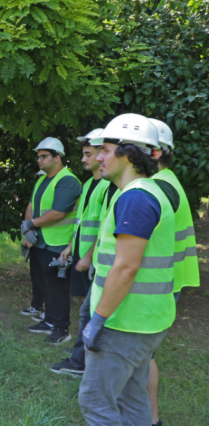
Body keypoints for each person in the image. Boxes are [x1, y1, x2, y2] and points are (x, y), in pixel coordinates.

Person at [78, 114, 177, 425]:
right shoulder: (144, 191)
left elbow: (125, 268)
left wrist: (98, 319)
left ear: (129, 154)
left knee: (96, 403)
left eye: (106, 150)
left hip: (124, 323)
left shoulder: (136, 198)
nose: (99, 157)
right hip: (144, 320)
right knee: (133, 402)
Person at [146, 118, 200, 426]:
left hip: (157, 285)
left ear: (154, 153)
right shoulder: (167, 181)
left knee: (143, 356)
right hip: (165, 281)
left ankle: (152, 420)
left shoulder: (159, 188)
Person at [49, 129, 111, 375]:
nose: (83, 159)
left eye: (88, 154)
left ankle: (82, 361)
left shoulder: (108, 186)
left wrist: (88, 255)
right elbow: (82, 222)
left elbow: (106, 226)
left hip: (95, 261)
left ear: (102, 154)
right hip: (83, 257)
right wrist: (70, 247)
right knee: (86, 309)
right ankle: (82, 357)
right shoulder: (88, 185)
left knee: (90, 311)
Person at [21, 137, 82, 345]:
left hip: (58, 243)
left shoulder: (67, 181)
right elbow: (31, 204)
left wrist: (31, 224)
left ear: (57, 158)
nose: (39, 160)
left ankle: (61, 328)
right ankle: (49, 321)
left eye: (44, 156)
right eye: (38, 157)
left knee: (57, 287)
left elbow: (58, 213)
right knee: (43, 284)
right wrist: (29, 227)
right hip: (40, 241)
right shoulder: (42, 179)